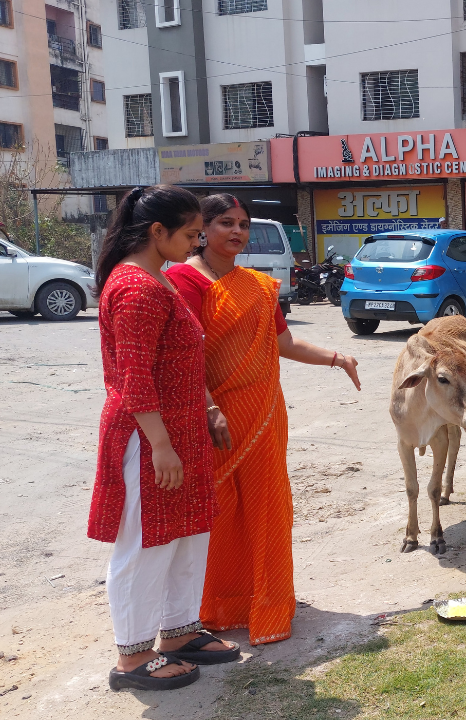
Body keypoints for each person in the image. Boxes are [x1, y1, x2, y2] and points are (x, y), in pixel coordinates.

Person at [166, 194, 362, 646]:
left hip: (263, 415)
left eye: (243, 224)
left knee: (266, 507)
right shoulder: (184, 281)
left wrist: (338, 357)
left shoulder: (255, 285)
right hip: (213, 416)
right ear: (202, 231)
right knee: (221, 511)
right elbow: (185, 357)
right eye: (225, 223)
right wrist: (209, 407)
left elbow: (285, 343)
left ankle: (268, 601)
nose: (236, 231)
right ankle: (218, 604)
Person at [91, 185, 241, 692]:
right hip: (149, 435)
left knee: (188, 532)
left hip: (180, 431)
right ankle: (131, 659)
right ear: (157, 232)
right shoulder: (136, 287)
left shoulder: (158, 280)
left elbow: (180, 359)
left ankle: (177, 633)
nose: (197, 244)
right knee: (145, 543)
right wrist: (160, 444)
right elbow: (135, 377)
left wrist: (206, 409)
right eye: (192, 234)